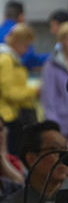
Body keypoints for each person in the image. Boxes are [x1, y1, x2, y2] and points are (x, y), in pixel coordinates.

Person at [0, 23, 40, 154]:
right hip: (7, 118)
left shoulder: (13, 59)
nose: (27, 49)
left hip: (12, 115)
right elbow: (9, 92)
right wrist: (33, 91)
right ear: (17, 42)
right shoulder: (6, 60)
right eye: (26, 45)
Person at [41, 21, 68, 139]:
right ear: (62, 41)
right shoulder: (52, 65)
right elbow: (49, 99)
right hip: (63, 124)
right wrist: (54, 127)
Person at [0, 0, 48, 71]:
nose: (25, 49)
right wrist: (51, 58)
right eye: (26, 46)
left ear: (4, 16)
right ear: (21, 17)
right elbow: (29, 60)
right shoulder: (20, 32)